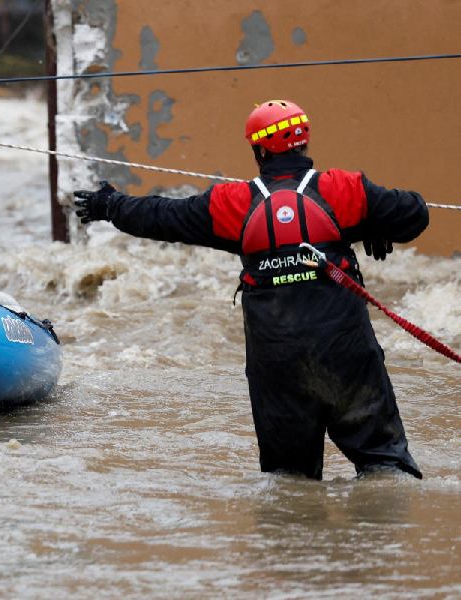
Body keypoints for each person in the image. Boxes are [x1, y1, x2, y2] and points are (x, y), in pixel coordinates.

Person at [73, 99, 429, 480]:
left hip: (277, 364)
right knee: (386, 469)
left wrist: (108, 204)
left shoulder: (232, 203)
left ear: (258, 150)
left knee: (289, 483)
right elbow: (415, 212)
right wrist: (372, 225)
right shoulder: (346, 189)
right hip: (347, 355)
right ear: (303, 143)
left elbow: (161, 216)